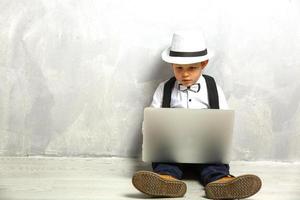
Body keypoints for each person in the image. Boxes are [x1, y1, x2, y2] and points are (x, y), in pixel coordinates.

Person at [132, 30, 262, 199]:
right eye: (179, 68)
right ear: (172, 65)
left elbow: (225, 122)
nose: (185, 74)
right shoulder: (164, 88)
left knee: (214, 165)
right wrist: (153, 141)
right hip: (172, 151)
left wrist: (219, 142)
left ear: (204, 63)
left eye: (192, 68)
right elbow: (150, 123)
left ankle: (221, 182)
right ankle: (166, 180)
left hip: (207, 151)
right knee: (165, 164)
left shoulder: (213, 87)